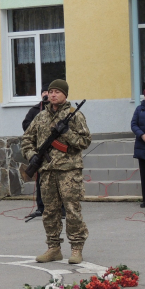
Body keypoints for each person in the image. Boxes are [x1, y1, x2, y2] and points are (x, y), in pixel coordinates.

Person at [21, 79, 92, 264]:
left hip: (69, 171)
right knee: (49, 212)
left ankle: (76, 248)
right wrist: (32, 156)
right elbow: (27, 139)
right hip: (47, 170)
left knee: (72, 210)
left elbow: (85, 141)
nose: (53, 95)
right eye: (50, 91)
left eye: (57, 92)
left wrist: (67, 132)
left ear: (65, 95)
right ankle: (53, 248)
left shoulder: (74, 115)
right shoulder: (40, 116)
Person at [22, 89, 49, 218]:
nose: (46, 94)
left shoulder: (59, 111)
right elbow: (25, 125)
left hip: (56, 154)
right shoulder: (35, 110)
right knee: (40, 181)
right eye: (44, 92)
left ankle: (61, 209)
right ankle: (40, 207)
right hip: (39, 150)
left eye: (49, 91)